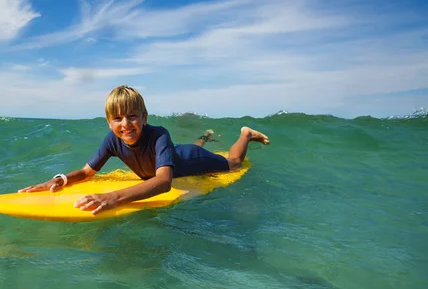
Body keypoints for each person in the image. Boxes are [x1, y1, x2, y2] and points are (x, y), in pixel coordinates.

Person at [18, 85, 270, 215]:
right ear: (109, 122)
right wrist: (60, 179)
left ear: (144, 117)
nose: (125, 124)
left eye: (131, 116)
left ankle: (245, 133)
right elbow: (86, 173)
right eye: (117, 119)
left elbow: (162, 182)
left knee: (234, 162)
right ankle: (204, 137)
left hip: (190, 159)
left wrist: (112, 198)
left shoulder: (159, 134)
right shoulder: (111, 140)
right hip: (175, 153)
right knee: (186, 148)